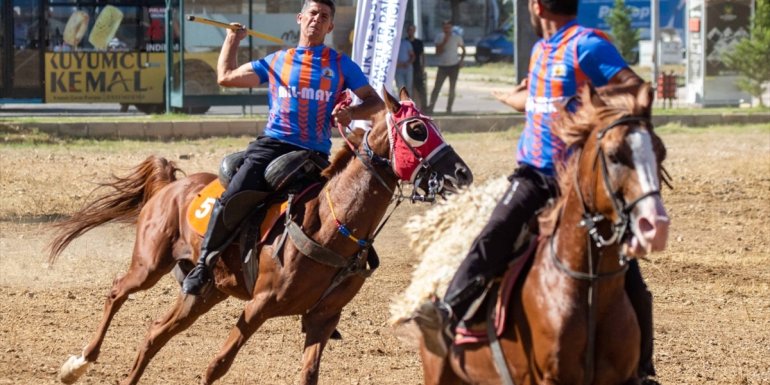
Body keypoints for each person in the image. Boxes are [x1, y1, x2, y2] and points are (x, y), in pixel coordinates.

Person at [416, 0, 659, 383]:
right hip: (533, 171)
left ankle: (641, 371)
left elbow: (635, 92)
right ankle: (450, 311)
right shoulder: (541, 50)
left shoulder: (586, 44)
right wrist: (511, 99)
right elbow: (541, 104)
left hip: (571, 182)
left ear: (536, 6)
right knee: (495, 234)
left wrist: (595, 116)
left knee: (626, 276)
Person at [182, 0, 384, 296]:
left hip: (313, 155)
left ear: (329, 26)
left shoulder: (341, 64)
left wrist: (351, 113)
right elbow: (225, 76)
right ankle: (203, 265)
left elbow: (376, 102)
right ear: (301, 18)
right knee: (232, 198)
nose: (317, 19)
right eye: (312, 13)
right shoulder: (277, 60)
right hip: (271, 144)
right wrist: (232, 40)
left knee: (330, 216)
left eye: (324, 16)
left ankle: (328, 290)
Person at [426, 20, 465, 114]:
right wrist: (444, 41)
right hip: (442, 66)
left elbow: (463, 49)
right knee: (437, 88)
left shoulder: (457, 37)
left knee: (452, 88)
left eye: (448, 27)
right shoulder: (439, 37)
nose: (447, 29)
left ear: (451, 28)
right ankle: (431, 107)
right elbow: (437, 52)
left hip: (454, 66)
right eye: (445, 27)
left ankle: (449, 109)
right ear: (443, 28)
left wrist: (461, 60)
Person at [406, 24, 427, 109]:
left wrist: (423, 67)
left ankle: (422, 107)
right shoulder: (405, 42)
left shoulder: (419, 42)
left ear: (415, 31)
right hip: (407, 68)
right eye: (409, 30)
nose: (411, 31)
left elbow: (422, 55)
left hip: (417, 67)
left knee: (419, 88)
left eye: (412, 30)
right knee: (409, 88)